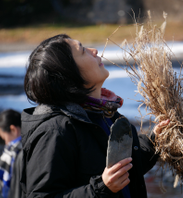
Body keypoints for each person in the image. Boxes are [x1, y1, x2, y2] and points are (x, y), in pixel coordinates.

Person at [20, 34, 169, 198]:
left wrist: (154, 141)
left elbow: (125, 169)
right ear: (68, 73)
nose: (94, 51)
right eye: (82, 51)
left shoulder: (103, 114)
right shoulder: (54, 130)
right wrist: (101, 188)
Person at [0, 109, 22, 198]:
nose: (6, 143)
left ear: (13, 130)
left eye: (4, 138)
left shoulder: (11, 153)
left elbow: (5, 190)